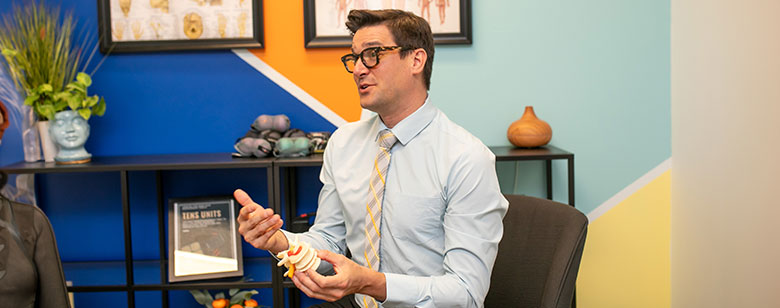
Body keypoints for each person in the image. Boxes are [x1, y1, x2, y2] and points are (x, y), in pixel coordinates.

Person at [236, 9, 507, 308]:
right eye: (354, 58)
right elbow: (328, 242)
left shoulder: (466, 158)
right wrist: (278, 241)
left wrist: (372, 283)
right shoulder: (343, 143)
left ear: (416, 60)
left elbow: (466, 293)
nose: (358, 70)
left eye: (373, 54)